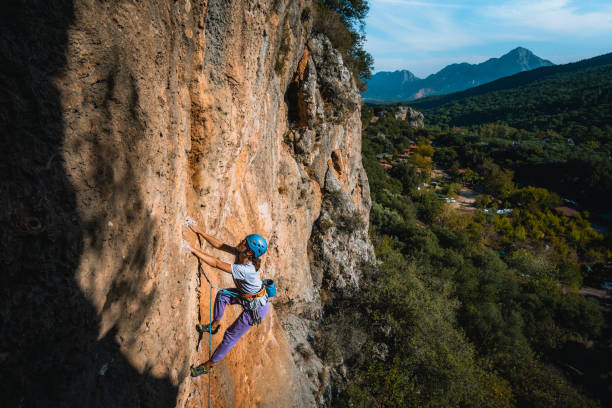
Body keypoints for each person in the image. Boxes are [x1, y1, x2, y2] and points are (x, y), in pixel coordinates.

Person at [185, 219, 269, 377]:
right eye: (243, 240)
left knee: (230, 335)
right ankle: (214, 325)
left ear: (249, 252)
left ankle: (208, 365)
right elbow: (220, 245)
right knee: (223, 295)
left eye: (244, 242)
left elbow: (217, 263)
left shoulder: (246, 269)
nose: (240, 242)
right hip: (248, 296)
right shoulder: (241, 253)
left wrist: (192, 249)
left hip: (256, 308)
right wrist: (199, 231)